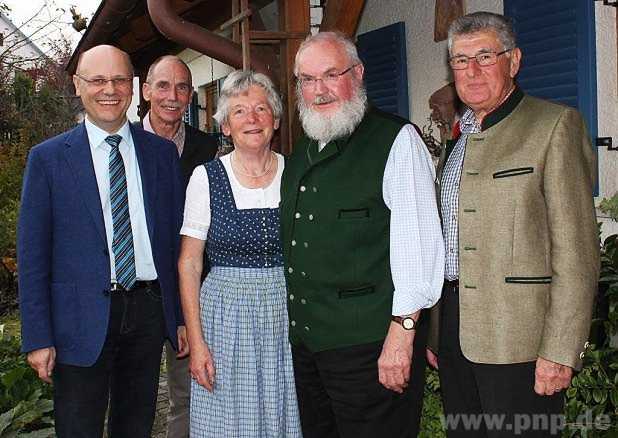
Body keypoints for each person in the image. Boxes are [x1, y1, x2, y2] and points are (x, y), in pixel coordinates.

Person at [427, 11, 599, 437]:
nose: (472, 70)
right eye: (461, 60)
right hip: (454, 333)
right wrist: (435, 332)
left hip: (522, 338)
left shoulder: (553, 125)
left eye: (485, 56)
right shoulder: (458, 137)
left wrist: (561, 349)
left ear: (514, 60)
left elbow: (577, 250)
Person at [281, 31, 444, 438]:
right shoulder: (302, 149)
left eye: (330, 74)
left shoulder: (396, 140)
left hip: (372, 346)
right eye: (307, 79)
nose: (318, 90)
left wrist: (402, 336)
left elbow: (420, 245)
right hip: (311, 348)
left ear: (357, 73)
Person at [17, 45, 186, 437]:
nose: (109, 89)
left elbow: (174, 242)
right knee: (79, 428)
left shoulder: (161, 155)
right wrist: (38, 336)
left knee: (136, 426)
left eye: (119, 80)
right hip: (77, 320)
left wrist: (176, 317)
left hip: (146, 312)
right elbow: (32, 255)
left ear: (133, 86)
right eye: (97, 80)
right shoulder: (48, 159)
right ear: (78, 86)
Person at [177, 70, 302, 437]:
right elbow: (189, 262)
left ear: (275, 121)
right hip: (225, 317)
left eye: (261, 109)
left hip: (286, 311)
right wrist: (198, 343)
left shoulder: (297, 173)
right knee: (228, 421)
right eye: (240, 112)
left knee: (285, 409)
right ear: (226, 127)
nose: (252, 119)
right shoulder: (207, 177)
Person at [141, 54, 219, 438]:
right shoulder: (121, 145)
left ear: (191, 96)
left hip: (190, 295)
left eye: (183, 87)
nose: (173, 96)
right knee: (130, 397)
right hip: (135, 294)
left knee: (186, 394)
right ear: (146, 91)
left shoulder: (209, 149)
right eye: (163, 85)